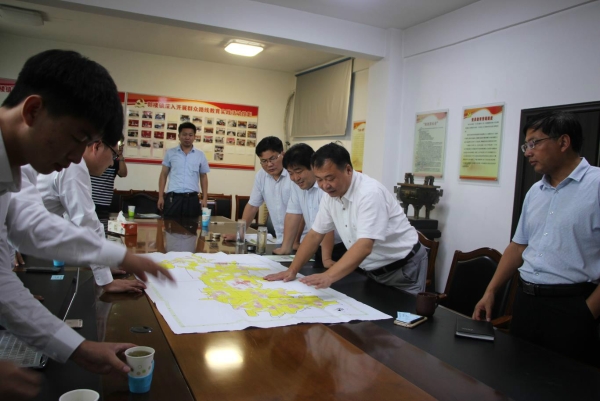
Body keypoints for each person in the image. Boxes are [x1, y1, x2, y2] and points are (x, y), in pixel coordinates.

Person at [0, 49, 172, 400]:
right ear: (33, 111)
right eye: (78, 138)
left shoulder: (16, 171)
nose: (78, 157)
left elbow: (31, 227)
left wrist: (78, 348)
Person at [473, 111, 600, 367]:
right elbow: (518, 246)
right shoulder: (535, 191)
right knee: (518, 375)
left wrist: (588, 311)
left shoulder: (596, 185)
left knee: (565, 382)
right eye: (526, 145)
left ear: (563, 142)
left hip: (572, 306)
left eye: (534, 143)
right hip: (526, 302)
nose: (527, 152)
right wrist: (490, 291)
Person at [265, 143, 427, 295]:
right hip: (372, 270)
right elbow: (315, 235)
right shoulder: (331, 195)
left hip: (403, 268)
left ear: (348, 170)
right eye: (319, 179)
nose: (325, 185)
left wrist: (328, 276)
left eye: (330, 178)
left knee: (402, 314)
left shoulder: (369, 194)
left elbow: (364, 246)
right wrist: (292, 270)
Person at [30, 137, 144, 293]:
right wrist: (107, 282)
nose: (112, 163)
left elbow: (73, 221)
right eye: (113, 155)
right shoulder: (74, 166)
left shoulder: (72, 161)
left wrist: (103, 266)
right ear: (97, 147)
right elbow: (87, 224)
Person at [273, 143, 347, 268]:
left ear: (313, 167)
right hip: (318, 245)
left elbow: (327, 225)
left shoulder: (325, 186)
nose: (295, 178)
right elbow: (293, 214)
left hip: (341, 248)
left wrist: (326, 258)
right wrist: (286, 247)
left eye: (299, 171)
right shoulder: (298, 186)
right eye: (290, 173)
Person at [224, 136, 303, 244]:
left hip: (303, 239)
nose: (269, 164)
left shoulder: (294, 175)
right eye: (264, 161)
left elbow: (301, 211)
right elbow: (252, 206)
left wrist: (295, 241)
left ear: (283, 154)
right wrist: (240, 234)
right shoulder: (261, 176)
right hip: (280, 239)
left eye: (273, 158)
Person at [158, 122, 209, 218]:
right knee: (170, 226)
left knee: (192, 226)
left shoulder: (200, 155)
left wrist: (205, 198)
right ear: (179, 136)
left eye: (190, 135)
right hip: (173, 198)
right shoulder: (170, 153)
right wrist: (160, 197)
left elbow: (203, 176)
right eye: (184, 134)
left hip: (192, 199)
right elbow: (163, 174)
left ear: (194, 137)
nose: (187, 137)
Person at [91, 137, 127, 222]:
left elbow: (123, 173)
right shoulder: (93, 160)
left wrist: (120, 155)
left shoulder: (114, 162)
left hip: (104, 204)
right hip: (90, 201)